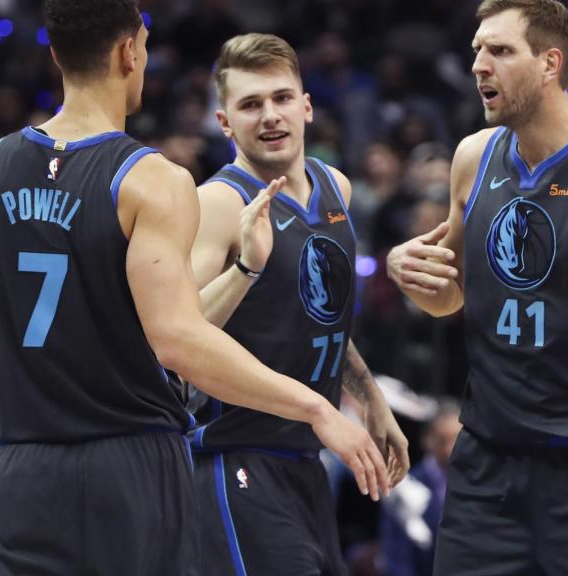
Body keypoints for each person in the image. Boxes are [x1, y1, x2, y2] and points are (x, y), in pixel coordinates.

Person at [0, 2, 388, 575]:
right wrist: (315, 406)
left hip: (20, 470)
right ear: (129, 52)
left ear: (57, 54)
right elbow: (178, 340)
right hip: (128, 463)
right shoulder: (151, 179)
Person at [386, 0, 568, 573]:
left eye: (500, 51)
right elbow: (451, 296)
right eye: (476, 51)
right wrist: (407, 271)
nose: (479, 65)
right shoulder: (472, 157)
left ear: (550, 63)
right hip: (488, 468)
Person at [187, 33, 408, 576]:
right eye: (250, 104)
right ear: (224, 123)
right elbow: (178, 335)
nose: (270, 116)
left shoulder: (336, 188)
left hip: (306, 460)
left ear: (306, 107)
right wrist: (245, 267)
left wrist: (370, 398)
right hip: (234, 458)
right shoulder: (217, 202)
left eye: (282, 98)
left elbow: (319, 318)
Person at [379, 400, 461, 576]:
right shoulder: (404, 485)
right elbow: (397, 557)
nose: (449, 449)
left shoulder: (476, 482)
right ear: (427, 440)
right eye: (442, 440)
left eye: (456, 439)